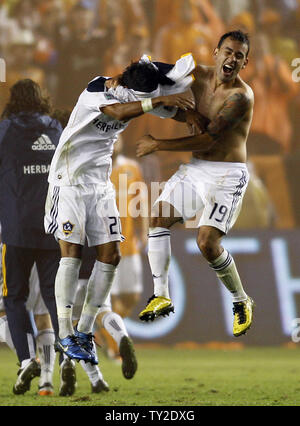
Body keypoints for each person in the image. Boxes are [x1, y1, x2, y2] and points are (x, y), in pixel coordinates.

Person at [44, 57, 195, 379]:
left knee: (111, 255)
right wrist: (157, 101)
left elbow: (177, 111)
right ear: (123, 86)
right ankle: (65, 332)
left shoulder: (139, 91)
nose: (144, 103)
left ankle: (84, 332)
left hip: (100, 184)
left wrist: (199, 115)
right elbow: (117, 112)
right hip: (68, 181)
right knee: (70, 253)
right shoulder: (96, 91)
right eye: (141, 97)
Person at [136, 30, 255, 338]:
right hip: (199, 168)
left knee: (207, 242)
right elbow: (148, 69)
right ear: (215, 52)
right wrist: (183, 106)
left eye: (239, 56)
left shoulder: (240, 97)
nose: (232, 58)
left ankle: (241, 300)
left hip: (228, 174)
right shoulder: (197, 75)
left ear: (245, 62)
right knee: (158, 217)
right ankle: (161, 294)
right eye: (228, 51)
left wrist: (158, 144)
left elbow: (208, 136)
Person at [0, 79, 62, 394]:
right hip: (53, 228)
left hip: (16, 228)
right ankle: (68, 358)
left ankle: (26, 361)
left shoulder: (6, 130)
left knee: (15, 298)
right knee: (55, 297)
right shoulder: (55, 129)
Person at [0, 260, 56, 396]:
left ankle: (29, 362)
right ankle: (46, 380)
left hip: (12, 251)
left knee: (5, 310)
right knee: (43, 317)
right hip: (41, 256)